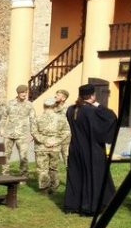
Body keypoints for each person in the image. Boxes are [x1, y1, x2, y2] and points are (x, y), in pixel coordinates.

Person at [64, 83, 118, 216]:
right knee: (93, 176)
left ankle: (73, 204)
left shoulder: (71, 110)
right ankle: (90, 206)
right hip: (91, 149)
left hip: (75, 148)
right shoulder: (91, 111)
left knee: (77, 176)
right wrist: (98, 104)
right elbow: (111, 117)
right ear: (92, 96)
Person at [33, 98, 66, 195]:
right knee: (54, 168)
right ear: (54, 106)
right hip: (55, 147)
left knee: (42, 169)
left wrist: (44, 141)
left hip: (41, 147)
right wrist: (57, 141)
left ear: (44, 106)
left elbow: (34, 132)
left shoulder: (37, 118)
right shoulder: (61, 118)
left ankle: (44, 190)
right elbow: (67, 132)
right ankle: (54, 188)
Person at [0, 84, 36, 176]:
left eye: (26, 92)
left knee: (23, 156)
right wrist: (1, 129)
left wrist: (32, 133)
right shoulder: (10, 103)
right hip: (9, 134)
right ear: (18, 93)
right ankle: (5, 174)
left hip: (22, 134)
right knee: (6, 154)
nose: (24, 94)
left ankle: (23, 175)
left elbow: (33, 120)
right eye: (22, 92)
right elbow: (4, 117)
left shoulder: (29, 105)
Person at [55, 89, 71, 164]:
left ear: (64, 98)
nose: (55, 96)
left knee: (66, 154)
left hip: (65, 134)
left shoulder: (69, 108)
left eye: (58, 95)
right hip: (54, 134)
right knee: (53, 155)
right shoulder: (51, 106)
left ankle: (69, 168)